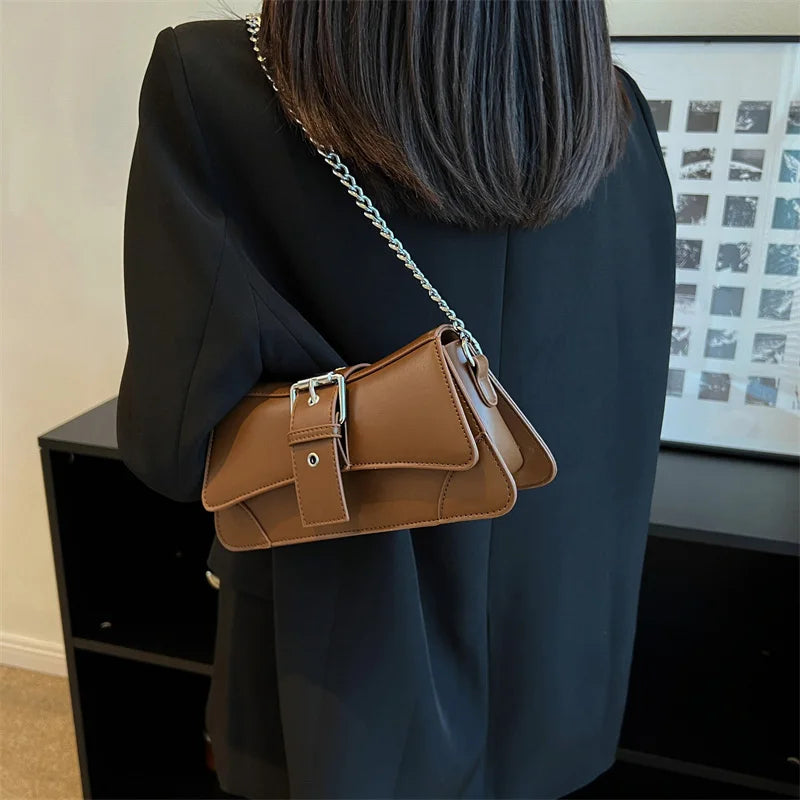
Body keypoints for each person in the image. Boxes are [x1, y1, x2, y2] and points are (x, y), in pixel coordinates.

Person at [116, 2, 676, 798]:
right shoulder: (614, 115)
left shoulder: (219, 80)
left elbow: (170, 448)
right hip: (559, 667)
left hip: (334, 682)